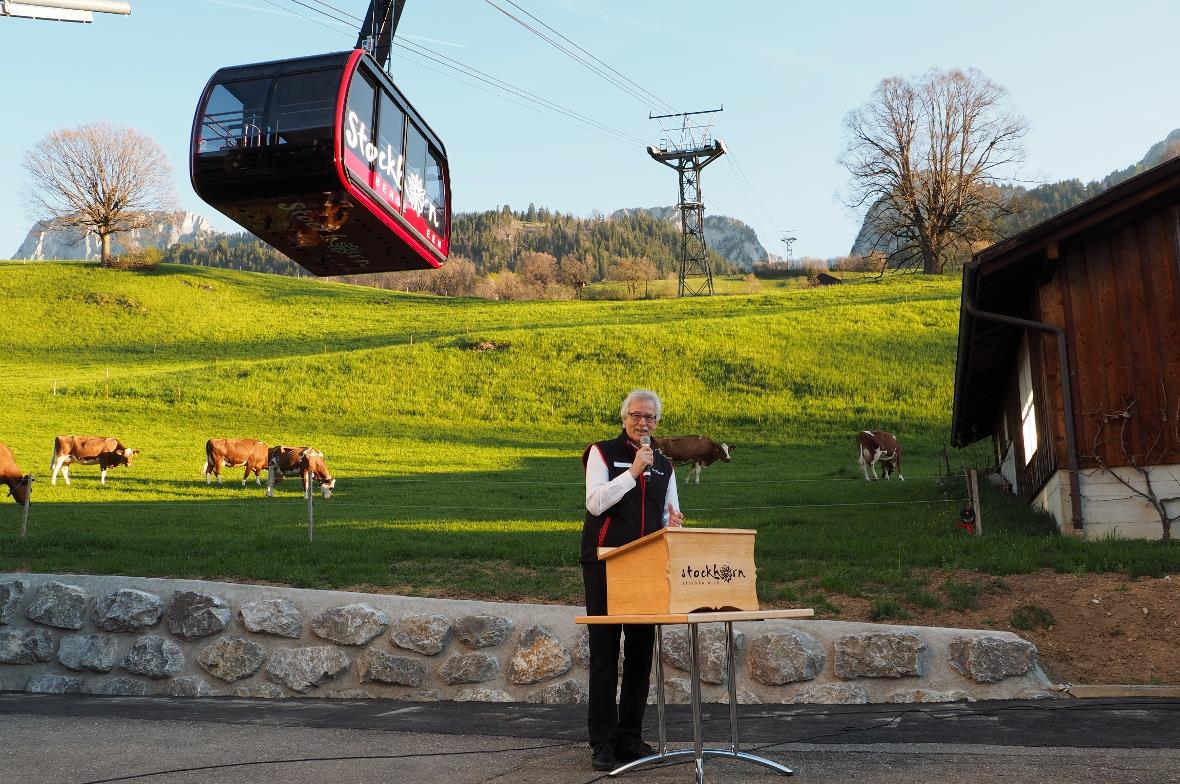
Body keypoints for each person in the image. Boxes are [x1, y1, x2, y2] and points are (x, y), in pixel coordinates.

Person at [580, 388, 684, 771]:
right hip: (605, 563)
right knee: (605, 655)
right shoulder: (602, 453)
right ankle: (602, 743)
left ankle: (629, 738)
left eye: (650, 417)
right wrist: (632, 473)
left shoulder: (666, 465)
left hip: (646, 568)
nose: (643, 423)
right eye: (637, 415)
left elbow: (667, 515)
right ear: (624, 418)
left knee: (640, 654)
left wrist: (673, 523)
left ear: (657, 423)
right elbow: (595, 503)